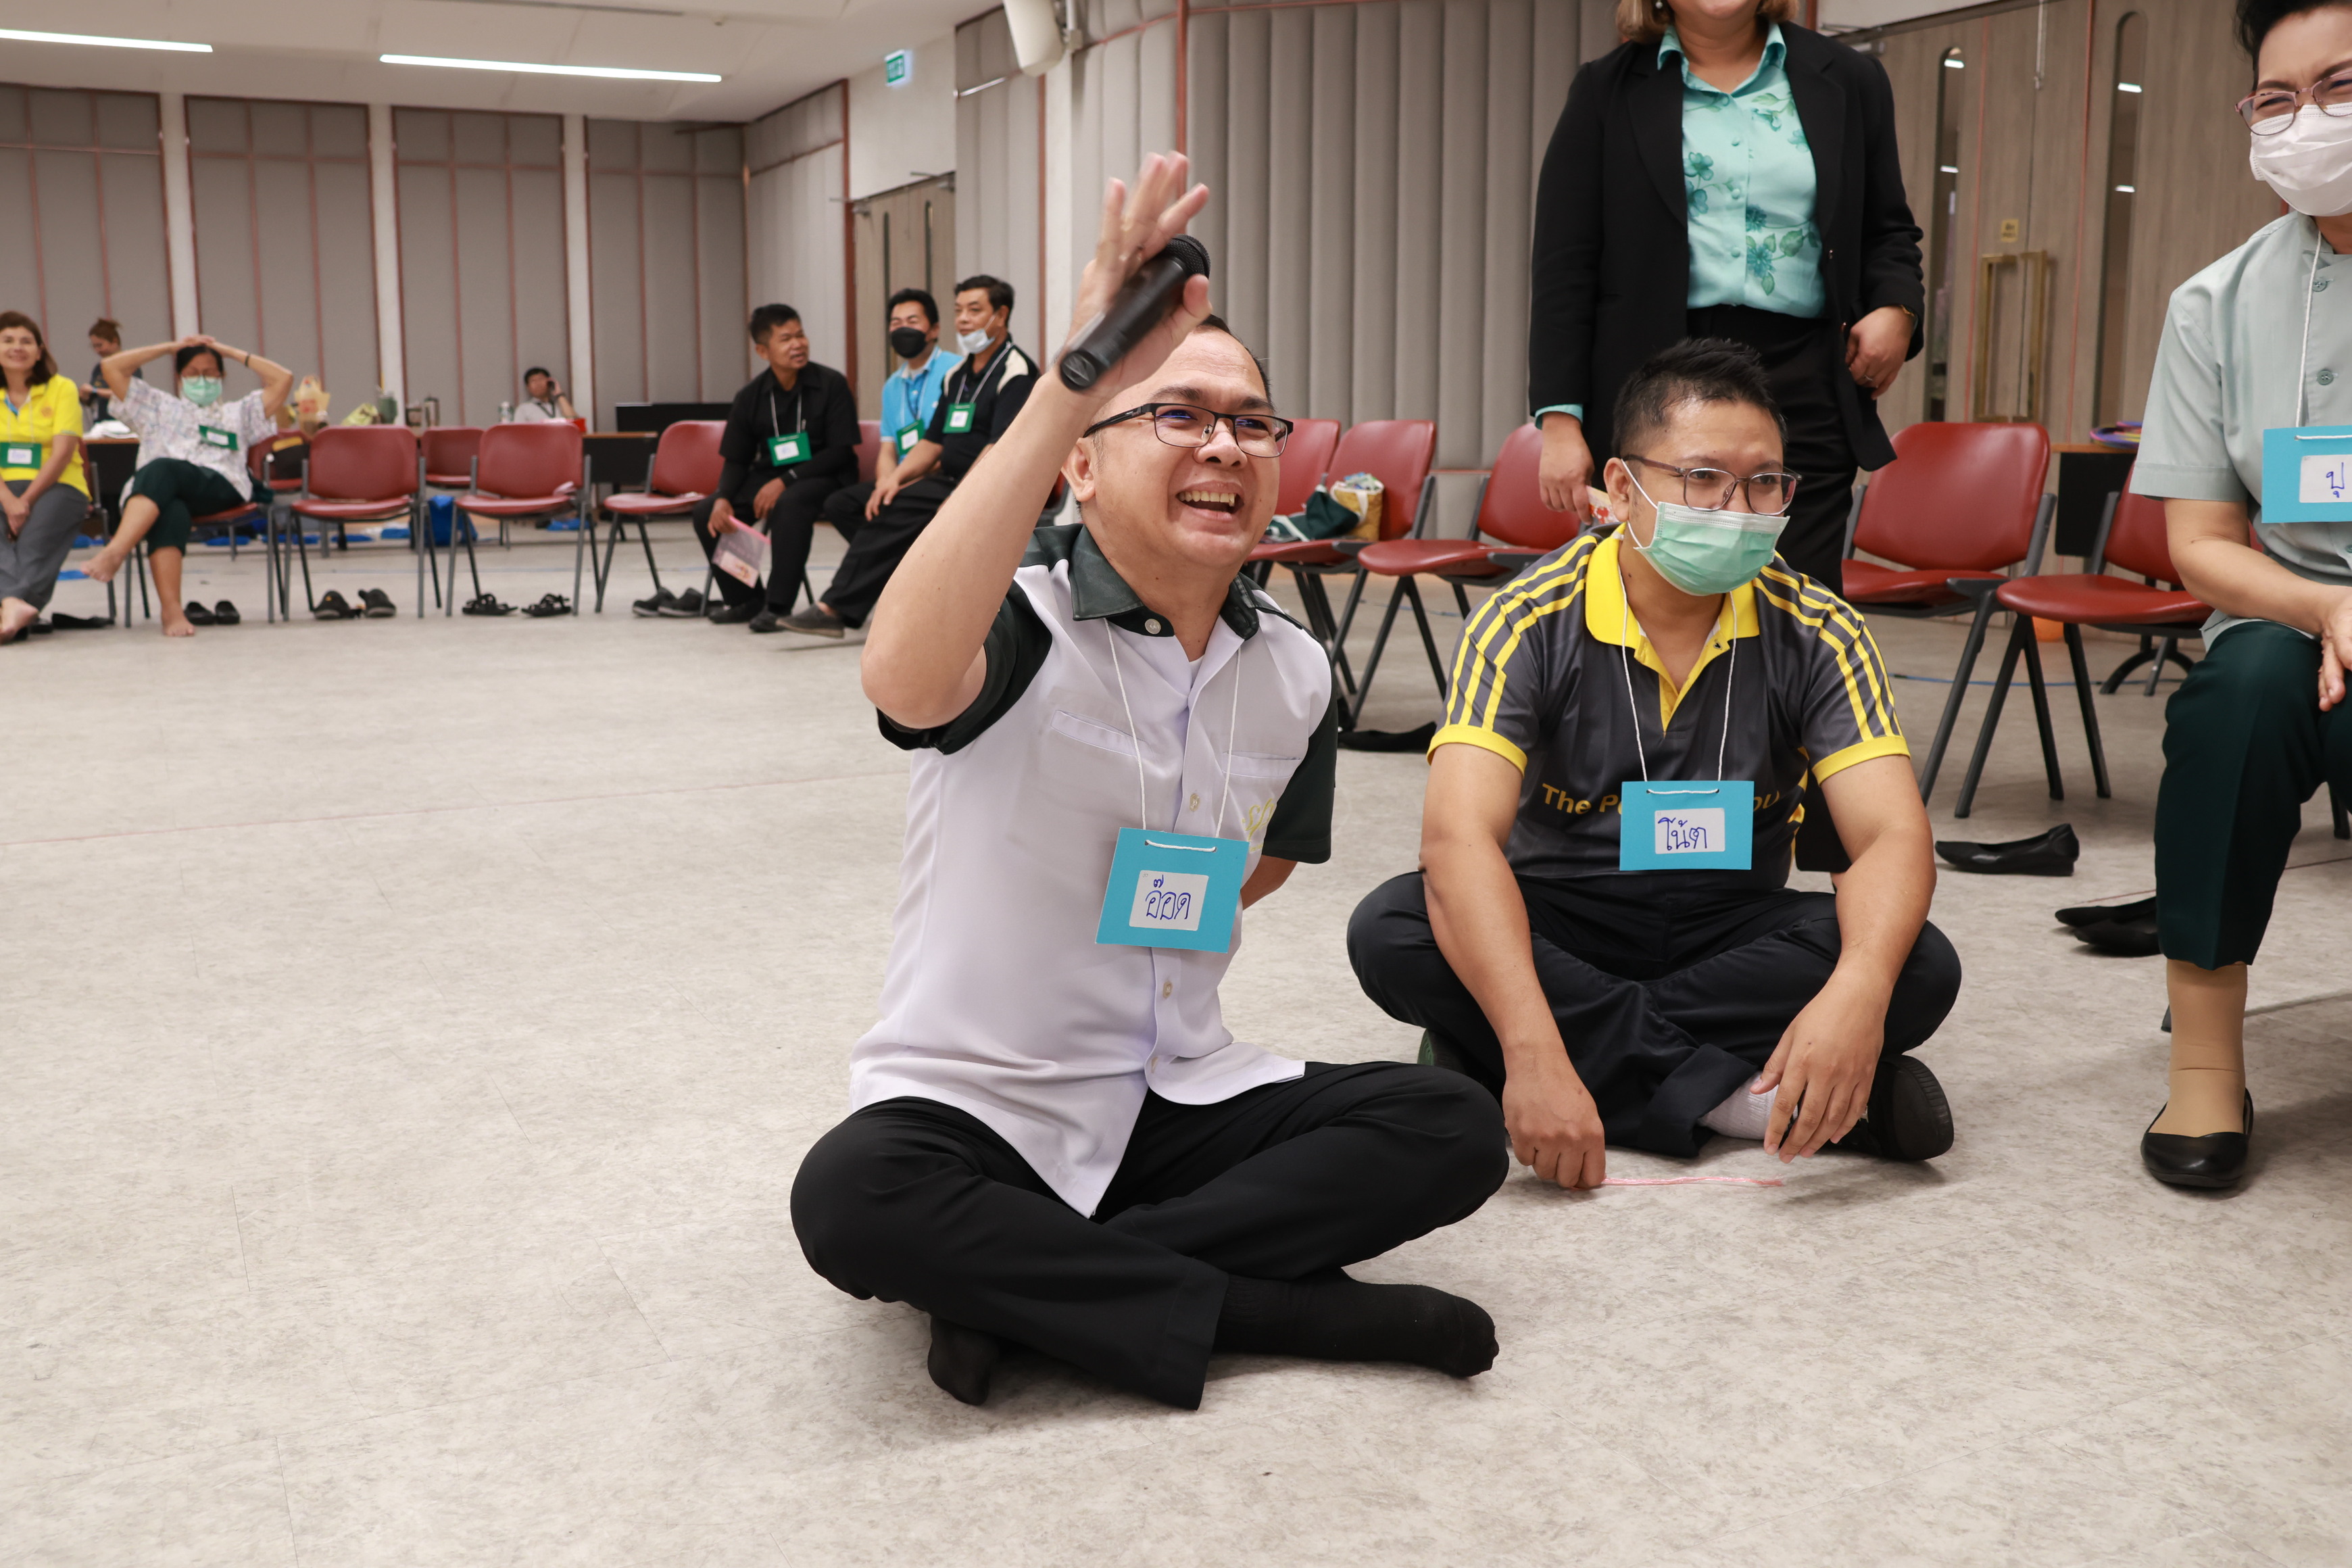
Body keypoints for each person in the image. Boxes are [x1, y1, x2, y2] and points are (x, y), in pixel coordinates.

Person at [790, 156, 1507, 1411]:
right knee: (850, 1198)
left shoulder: (1291, 668)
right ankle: (1269, 1308)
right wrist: (1074, 377)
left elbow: (1264, 862)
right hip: (982, 1106)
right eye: (1177, 414)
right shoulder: (1023, 619)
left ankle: (1027, 1296)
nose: (1224, 443)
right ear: (1080, 465)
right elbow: (901, 677)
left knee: (1449, 1124)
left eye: (1251, 422)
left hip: (1179, 1092)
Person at [1347, 339, 1960, 1191]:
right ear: (1623, 486)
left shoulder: (1817, 628)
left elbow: (1892, 835)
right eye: (1704, 478)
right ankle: (1739, 1101)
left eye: (1765, 482)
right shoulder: (1529, 619)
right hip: (1560, 916)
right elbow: (1457, 840)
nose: (1738, 507)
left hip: (1728, 922)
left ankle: (1507, 1063)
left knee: (1916, 964)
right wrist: (1531, 1045)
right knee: (1395, 927)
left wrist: (1856, 991)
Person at [2127, 0, 2352, 1190]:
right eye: (2279, 98)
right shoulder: (2214, 303)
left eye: (2340, 85)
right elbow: (2202, 543)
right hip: (2292, 608)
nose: (2307, 119)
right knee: (2240, 694)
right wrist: (2328, 611)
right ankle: (2206, 1061)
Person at [1527, 0, 1924, 597]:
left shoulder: (1850, 78)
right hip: (1655, 375)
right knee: (1659, 597)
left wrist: (1899, 309)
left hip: (1805, 375)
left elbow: (1888, 230)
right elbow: (1565, 264)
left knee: (1796, 595)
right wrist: (1560, 422)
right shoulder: (1604, 91)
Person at [775, 274, 1038, 637]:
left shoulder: (1017, 371)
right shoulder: (958, 375)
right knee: (853, 503)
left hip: (989, 485)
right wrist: (894, 479)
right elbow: (932, 443)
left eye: (975, 310)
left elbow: (1000, 448)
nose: (963, 319)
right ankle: (912, 582)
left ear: (1001, 315)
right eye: (959, 310)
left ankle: (835, 608)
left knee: (897, 509)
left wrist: (962, 496)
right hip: (947, 479)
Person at [83, 334, 291, 637]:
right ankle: (172, 611)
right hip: (160, 493)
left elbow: (283, 379)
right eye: (192, 374)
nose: (201, 380)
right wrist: (169, 347)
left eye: (210, 373)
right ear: (179, 377)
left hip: (220, 485)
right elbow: (112, 367)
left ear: (222, 376)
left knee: (163, 467)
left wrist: (229, 351)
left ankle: (116, 551)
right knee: (171, 509)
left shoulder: (240, 412)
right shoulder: (156, 406)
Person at [665, 304, 858, 629]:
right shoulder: (751, 396)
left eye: (800, 335)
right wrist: (724, 497)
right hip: (771, 475)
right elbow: (737, 458)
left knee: (790, 502)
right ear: (763, 351)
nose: (798, 344)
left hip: (825, 474)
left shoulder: (831, 384)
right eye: (786, 339)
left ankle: (778, 606)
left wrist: (786, 481)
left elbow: (841, 451)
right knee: (709, 512)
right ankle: (746, 599)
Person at [819, 287, 958, 552]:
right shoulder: (892, 386)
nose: (903, 329)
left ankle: (891, 565)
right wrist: (885, 483)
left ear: (934, 330)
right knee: (840, 504)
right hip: (900, 479)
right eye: (896, 323)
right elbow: (888, 449)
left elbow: (953, 447)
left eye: (912, 321)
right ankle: (897, 564)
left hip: (939, 476)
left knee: (897, 507)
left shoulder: (956, 372)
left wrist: (902, 482)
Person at [0, 312, 89, 643]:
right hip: (3, 487)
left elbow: (63, 452)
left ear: (39, 352)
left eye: (26, 341)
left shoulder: (62, 388)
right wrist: (9, 501)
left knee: (34, 545)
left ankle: (9, 607)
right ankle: (16, 608)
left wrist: (25, 501)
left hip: (58, 484)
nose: (17, 347)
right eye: (8, 340)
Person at [83, 318, 120, 424]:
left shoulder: (129, 366)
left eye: (100, 345)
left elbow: (126, 394)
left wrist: (95, 391)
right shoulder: (99, 368)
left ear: (114, 341)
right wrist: (85, 396)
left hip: (122, 426)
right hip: (101, 424)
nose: (97, 350)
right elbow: (92, 399)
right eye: (94, 347)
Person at [510, 368, 576, 423]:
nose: (538, 384)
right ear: (528, 387)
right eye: (533, 381)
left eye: (541, 379)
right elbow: (518, 432)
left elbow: (575, 422)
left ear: (549, 382)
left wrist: (559, 394)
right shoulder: (523, 409)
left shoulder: (561, 406)